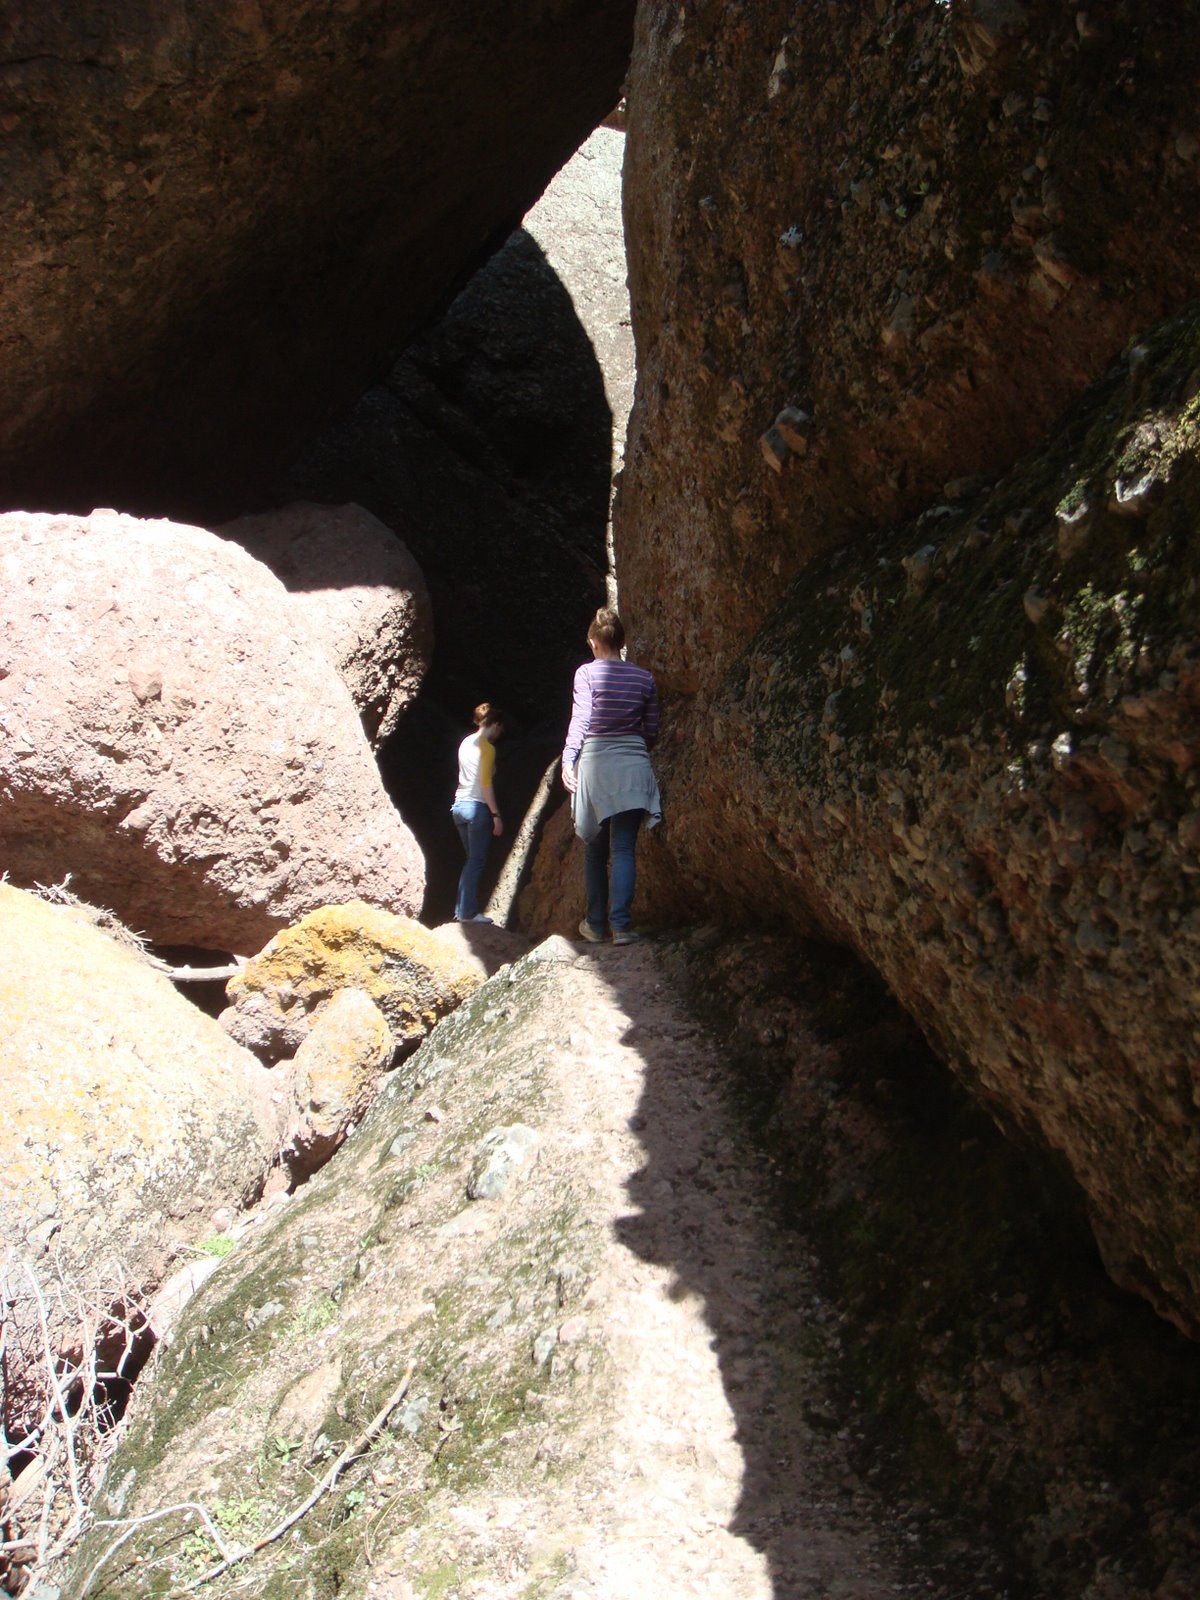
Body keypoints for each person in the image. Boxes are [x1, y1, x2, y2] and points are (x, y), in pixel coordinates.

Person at [561, 607, 661, 945]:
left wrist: (568, 760)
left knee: (595, 849)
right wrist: (631, 748)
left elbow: (581, 720)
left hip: (596, 768)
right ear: (621, 641)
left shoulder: (586, 674)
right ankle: (621, 927)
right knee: (624, 848)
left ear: (593, 642)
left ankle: (594, 924)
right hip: (633, 765)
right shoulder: (645, 679)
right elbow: (652, 729)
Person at [451, 702, 506, 924]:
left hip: (458, 806)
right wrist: (496, 815)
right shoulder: (487, 748)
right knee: (476, 861)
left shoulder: (465, 742)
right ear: (496, 724)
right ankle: (467, 913)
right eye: (501, 728)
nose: (500, 733)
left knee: (471, 861)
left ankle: (463, 909)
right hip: (476, 808)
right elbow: (485, 784)